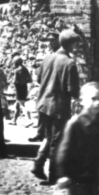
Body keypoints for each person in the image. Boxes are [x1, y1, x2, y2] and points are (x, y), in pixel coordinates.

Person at [56, 82, 99, 195]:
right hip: (76, 179)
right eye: (93, 99)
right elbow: (64, 152)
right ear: (82, 101)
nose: (97, 103)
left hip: (94, 178)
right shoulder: (75, 124)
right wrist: (63, 174)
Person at [31, 29, 81, 184]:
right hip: (58, 108)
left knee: (48, 136)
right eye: (76, 44)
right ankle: (53, 177)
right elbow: (72, 91)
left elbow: (38, 79)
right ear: (71, 45)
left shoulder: (48, 58)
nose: (78, 47)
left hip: (42, 104)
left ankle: (38, 163)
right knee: (56, 143)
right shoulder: (69, 63)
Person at [10, 56, 31, 126]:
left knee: (21, 104)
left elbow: (15, 81)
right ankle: (14, 120)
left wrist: (10, 82)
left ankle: (28, 120)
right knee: (17, 105)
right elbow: (30, 79)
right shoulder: (25, 69)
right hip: (24, 87)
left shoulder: (16, 70)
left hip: (19, 88)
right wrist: (24, 81)